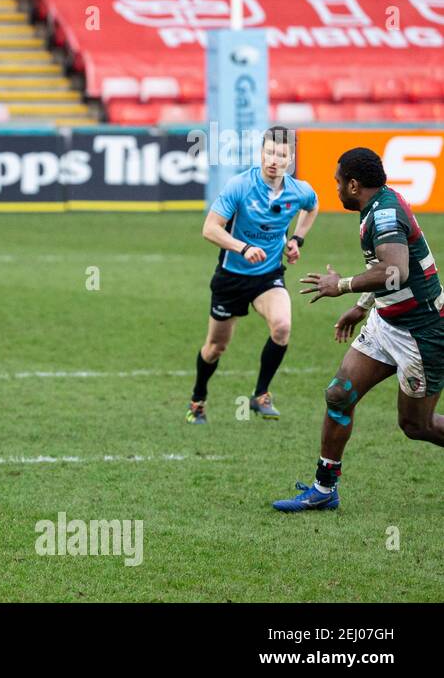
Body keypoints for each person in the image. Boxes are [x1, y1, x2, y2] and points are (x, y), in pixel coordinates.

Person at [276, 148, 444, 511]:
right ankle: (324, 489)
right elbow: (387, 268)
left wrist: (343, 286)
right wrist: (363, 305)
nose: (336, 188)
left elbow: (395, 269)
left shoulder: (383, 215)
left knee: (417, 426)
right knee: (339, 394)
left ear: (353, 184)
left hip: (422, 332)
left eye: (338, 182)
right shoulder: (376, 206)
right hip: (387, 321)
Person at [186, 126, 318, 424]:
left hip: (267, 276)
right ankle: (198, 399)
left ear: (290, 159)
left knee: (282, 326)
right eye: (269, 152)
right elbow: (210, 229)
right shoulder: (239, 186)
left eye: (281, 154)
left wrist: (297, 240)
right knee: (215, 348)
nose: (273, 159)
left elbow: (312, 207)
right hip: (231, 276)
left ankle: (260, 395)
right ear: (261, 152)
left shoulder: (299, 191)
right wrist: (242, 247)